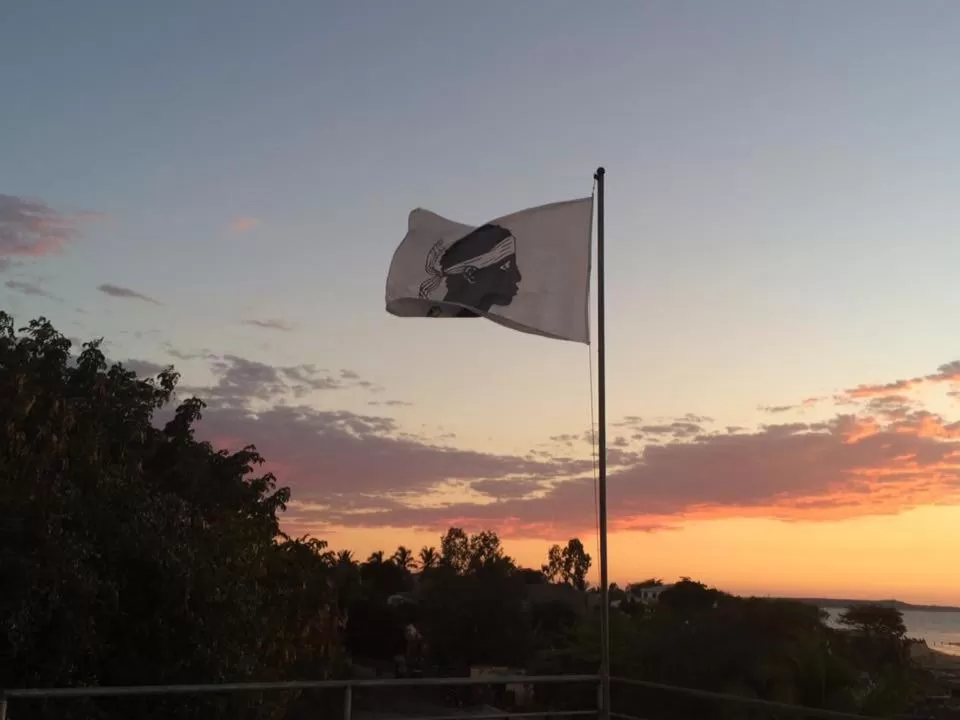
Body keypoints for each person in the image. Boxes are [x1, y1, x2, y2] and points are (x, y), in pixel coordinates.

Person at [419, 223, 522, 317]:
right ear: (471, 273)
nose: (518, 277)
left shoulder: (447, 320)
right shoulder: (447, 327)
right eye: (506, 266)